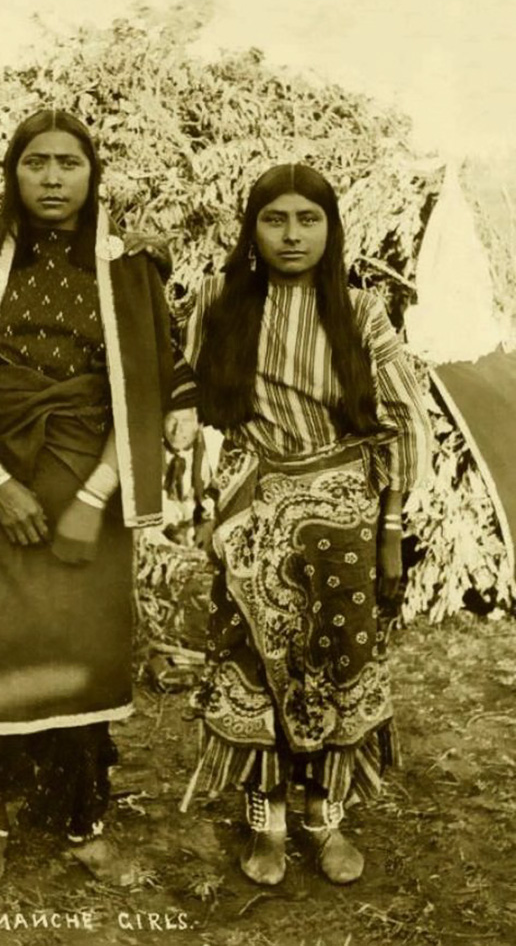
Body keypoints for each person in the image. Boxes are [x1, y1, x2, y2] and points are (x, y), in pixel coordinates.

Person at [0, 109, 197, 889]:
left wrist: (97, 494)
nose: (51, 178)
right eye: (35, 162)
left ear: (93, 171)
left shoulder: (128, 265)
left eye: (68, 163)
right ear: (13, 172)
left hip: (91, 481)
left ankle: (83, 818)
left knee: (83, 651)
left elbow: (141, 387)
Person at [180, 164, 432, 886]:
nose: (292, 235)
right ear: (252, 230)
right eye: (275, 219)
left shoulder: (359, 313)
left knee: (334, 659)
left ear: (331, 228)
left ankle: (324, 813)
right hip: (253, 506)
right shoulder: (218, 302)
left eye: (308, 220)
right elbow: (164, 369)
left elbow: (404, 418)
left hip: (345, 516)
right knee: (254, 660)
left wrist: (389, 529)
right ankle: (267, 817)